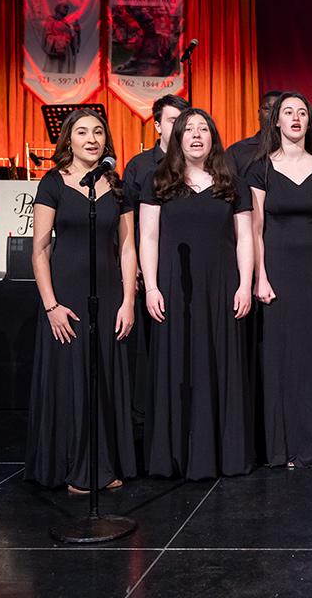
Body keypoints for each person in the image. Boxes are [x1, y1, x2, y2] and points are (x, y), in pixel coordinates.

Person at [139, 108, 255, 480]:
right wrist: (153, 286)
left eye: (203, 129)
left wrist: (245, 284)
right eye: (188, 129)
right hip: (175, 286)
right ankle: (174, 455)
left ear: (213, 138)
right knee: (178, 364)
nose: (196, 135)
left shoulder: (230, 182)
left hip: (222, 285)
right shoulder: (158, 181)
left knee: (219, 363)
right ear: (177, 138)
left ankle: (223, 454)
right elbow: (149, 237)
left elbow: (245, 240)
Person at [25, 108, 136, 493]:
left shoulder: (116, 185)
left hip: (107, 295)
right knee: (73, 377)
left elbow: (127, 249)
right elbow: (39, 250)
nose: (92, 139)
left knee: (103, 374)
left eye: (99, 132)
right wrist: (51, 306)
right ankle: (73, 465)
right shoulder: (53, 183)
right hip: (66, 295)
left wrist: (128, 301)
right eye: (83, 132)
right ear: (68, 139)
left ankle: (103, 464)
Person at [248, 91, 312, 468]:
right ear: (275, 121)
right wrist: (260, 276)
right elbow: (254, 229)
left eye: (301, 113)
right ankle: (283, 445)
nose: (294, 118)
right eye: (286, 112)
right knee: (281, 355)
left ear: (309, 122)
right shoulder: (260, 170)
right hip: (277, 270)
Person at [122, 94, 190, 429]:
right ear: (158, 124)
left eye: (184, 121)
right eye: (172, 121)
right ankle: (145, 416)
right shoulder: (140, 166)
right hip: (147, 263)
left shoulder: (199, 163)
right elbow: (127, 219)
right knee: (149, 342)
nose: (179, 128)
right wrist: (132, 263)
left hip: (185, 266)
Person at [226, 90, 283, 179]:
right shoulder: (237, 151)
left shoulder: (298, 151)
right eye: (267, 109)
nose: (272, 114)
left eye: (278, 110)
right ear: (259, 114)